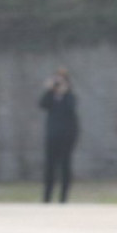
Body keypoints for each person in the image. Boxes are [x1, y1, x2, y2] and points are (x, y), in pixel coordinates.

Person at [38, 68, 79, 203]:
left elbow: (71, 107)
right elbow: (42, 104)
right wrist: (50, 89)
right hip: (52, 136)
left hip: (67, 137)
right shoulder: (51, 97)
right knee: (50, 167)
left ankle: (63, 198)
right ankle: (47, 197)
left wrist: (65, 92)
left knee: (65, 166)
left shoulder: (70, 96)